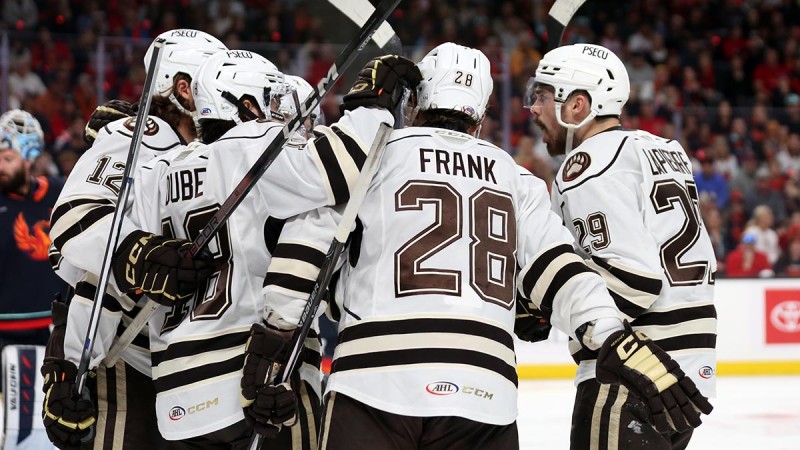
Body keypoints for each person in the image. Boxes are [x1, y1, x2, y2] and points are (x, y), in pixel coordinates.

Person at [258, 43, 712, 450]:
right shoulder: (516, 177)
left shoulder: (368, 155)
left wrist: (275, 343)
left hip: (375, 380)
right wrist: (613, 337)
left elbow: (305, 243)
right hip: (484, 391)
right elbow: (563, 271)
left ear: (414, 102)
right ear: (480, 116)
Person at [128, 50, 415, 447]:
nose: (282, 112)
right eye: (272, 99)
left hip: (177, 393)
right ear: (244, 104)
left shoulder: (158, 171)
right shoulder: (252, 142)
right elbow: (339, 168)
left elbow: (125, 274)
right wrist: (372, 104)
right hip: (257, 377)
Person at [43, 29, 227, 450]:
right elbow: (77, 219)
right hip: (129, 358)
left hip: (202, 367)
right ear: (184, 87)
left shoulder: (221, 149)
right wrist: (142, 256)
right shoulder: (144, 135)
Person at [528, 43, 717, 450]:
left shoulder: (587, 164)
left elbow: (633, 282)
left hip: (631, 372)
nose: (533, 108)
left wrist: (542, 301)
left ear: (577, 105)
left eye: (542, 96)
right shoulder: (664, 149)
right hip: (686, 372)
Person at [0, 109, 65, 350]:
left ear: (29, 158)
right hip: (5, 330)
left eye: (8, 159)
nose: (1, 166)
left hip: (55, 327)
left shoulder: (60, 193)